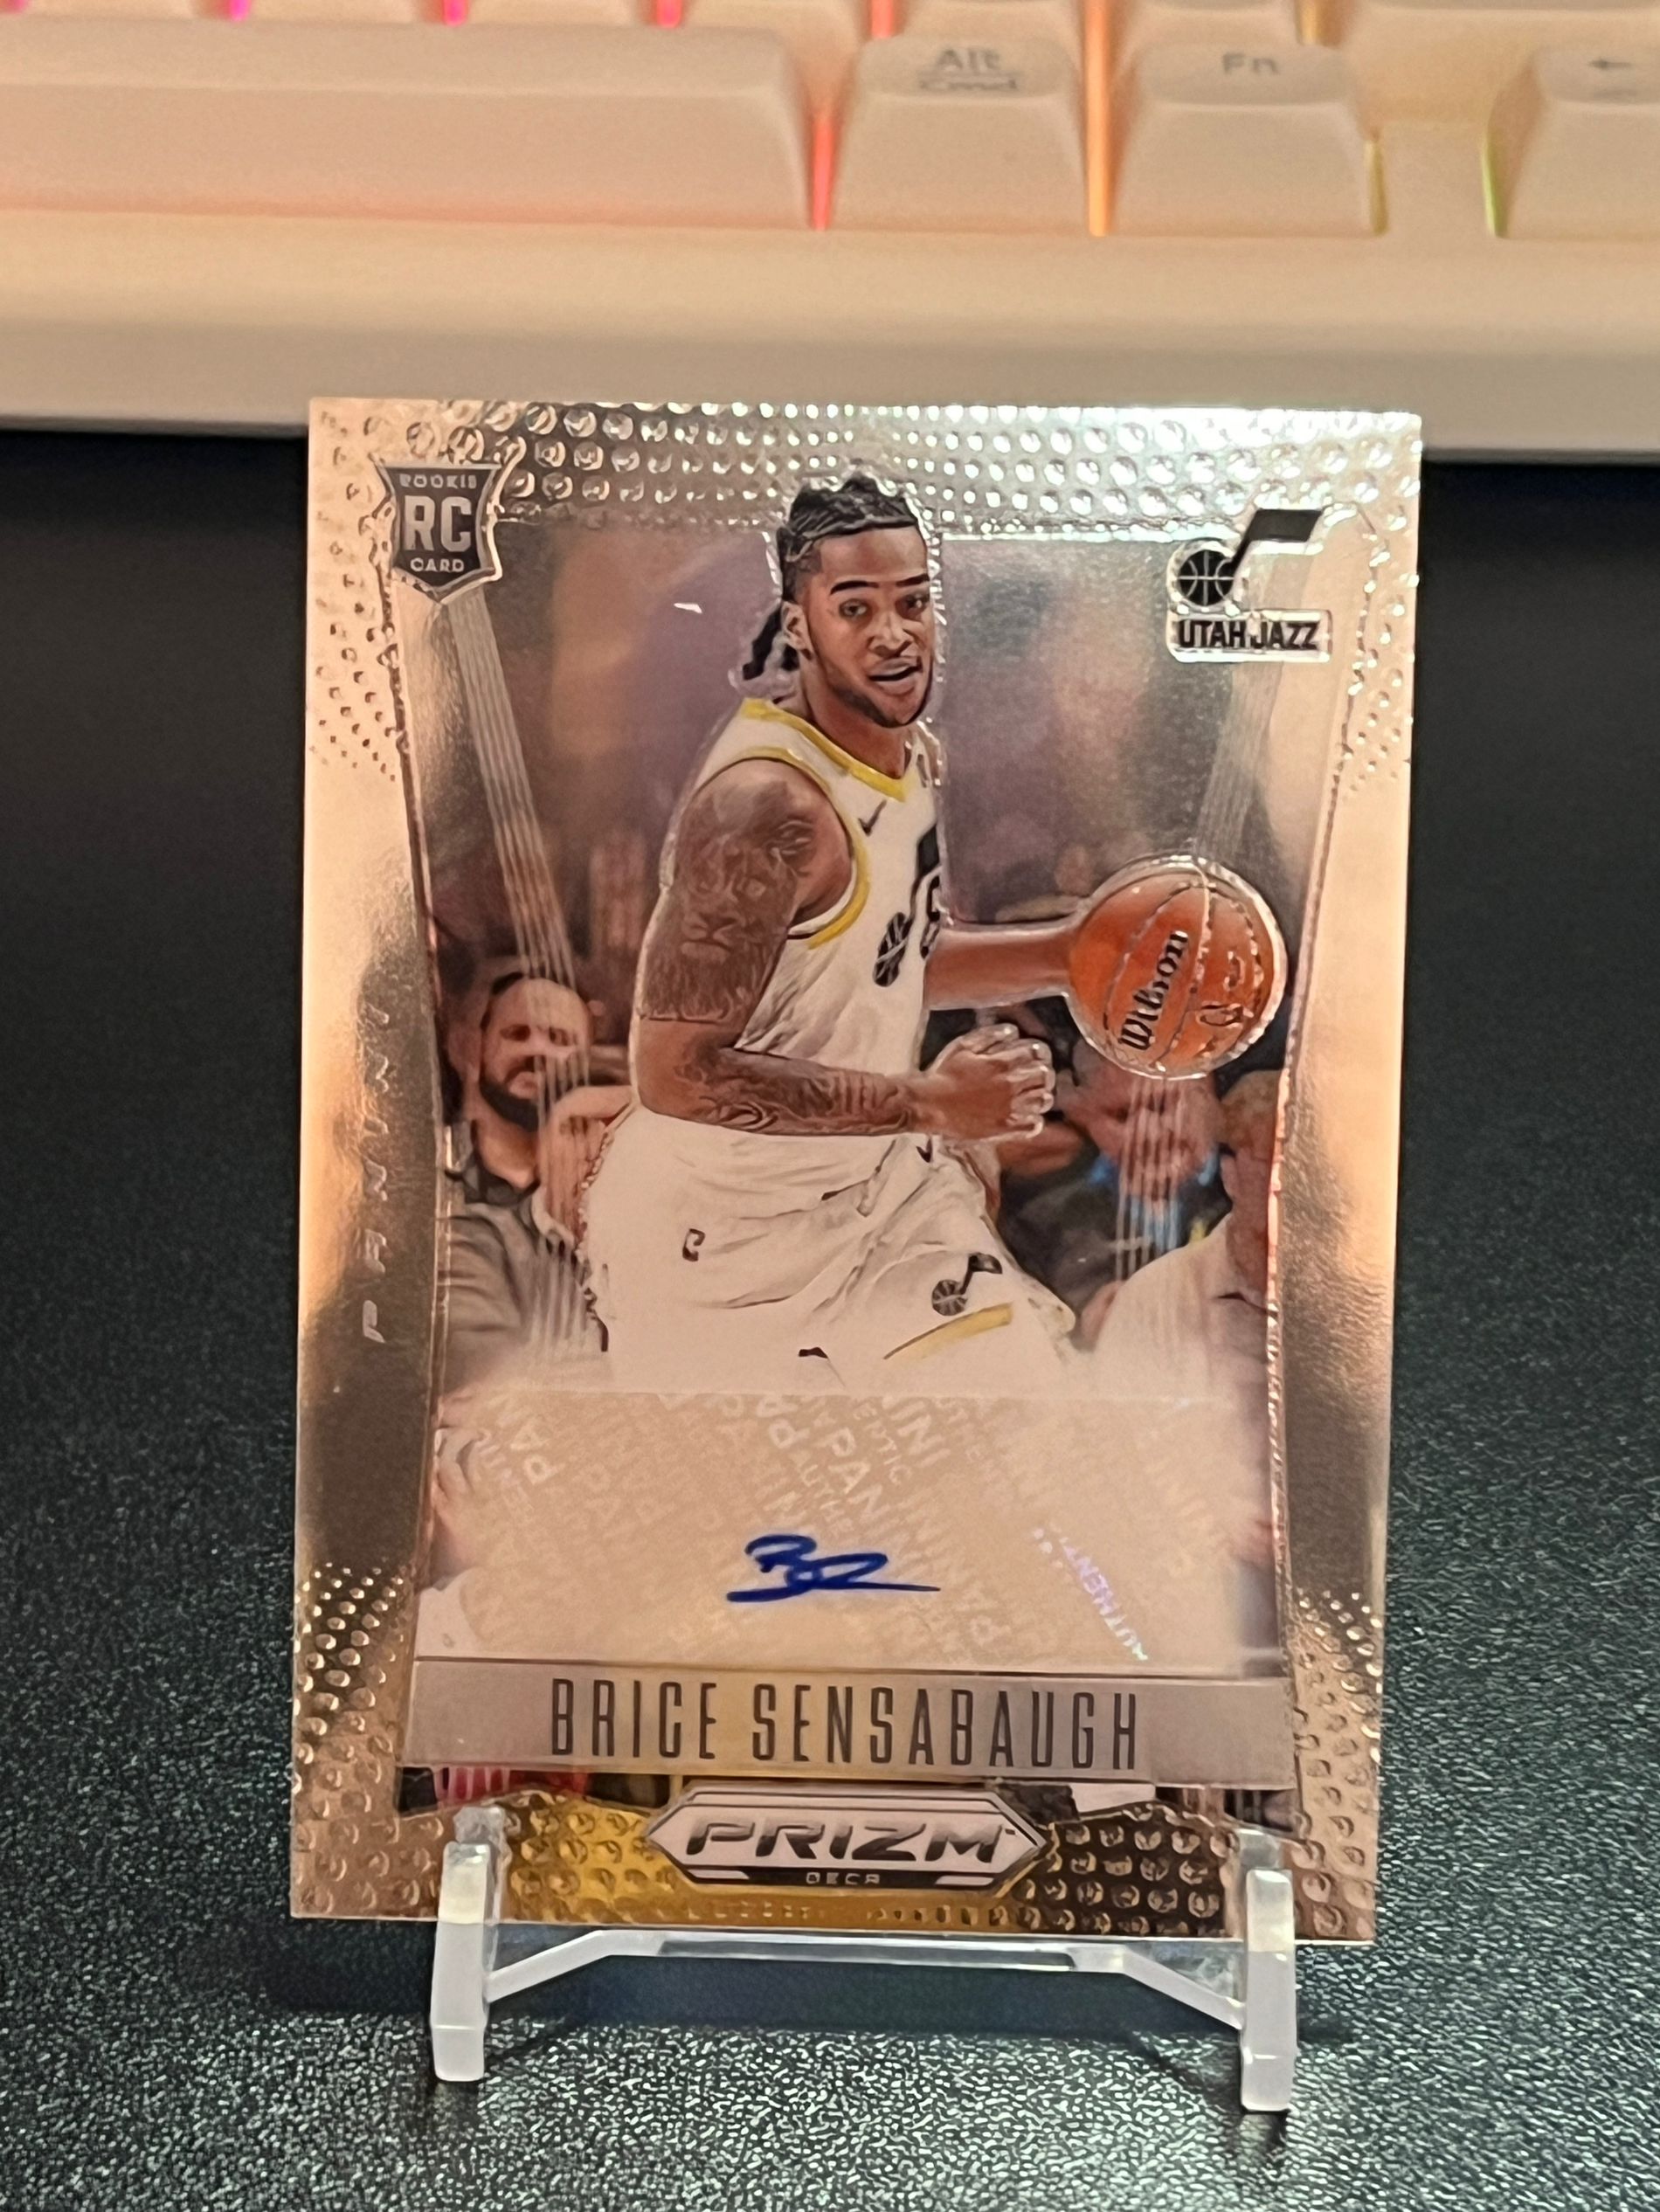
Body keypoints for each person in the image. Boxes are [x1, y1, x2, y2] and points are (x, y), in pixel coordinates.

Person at [583, 474, 1096, 1394]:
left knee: (1024, 1420)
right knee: (747, 1490)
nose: (893, 634)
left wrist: (1066, 953)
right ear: (799, 625)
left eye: (912, 603)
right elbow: (674, 1072)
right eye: (855, 608)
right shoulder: (764, 811)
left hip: (875, 1201)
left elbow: (881, 964)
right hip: (716, 1240)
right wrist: (931, 1102)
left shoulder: (909, 758)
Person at [1090, 1070, 1283, 1656]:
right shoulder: (1156, 1298)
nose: (1287, 1183)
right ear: (1230, 1173)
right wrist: (1218, 1522)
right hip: (1191, 1582)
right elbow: (1114, 1454)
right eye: (1270, 1162)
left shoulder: (1360, 1303)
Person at [442, 968, 623, 1382]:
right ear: (473, 1047)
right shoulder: (430, 1179)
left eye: (559, 1039)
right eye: (517, 1034)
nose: (537, 1050)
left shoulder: (604, 1199)